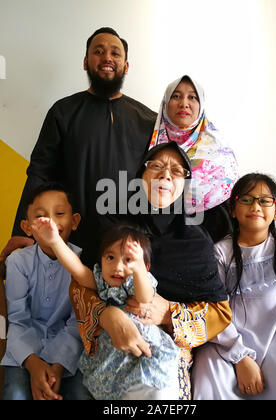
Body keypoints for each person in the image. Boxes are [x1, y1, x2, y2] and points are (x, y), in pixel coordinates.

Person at [70, 141, 232, 400]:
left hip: (164, 355)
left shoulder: (195, 242)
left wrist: (168, 313)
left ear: (185, 184)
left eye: (176, 171)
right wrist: (106, 315)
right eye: (155, 165)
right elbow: (80, 282)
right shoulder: (112, 225)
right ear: (140, 176)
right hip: (109, 346)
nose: (165, 174)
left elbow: (220, 312)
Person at [0, 27, 157, 268]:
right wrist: (25, 228)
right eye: (99, 51)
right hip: (68, 243)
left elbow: (162, 182)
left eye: (115, 53)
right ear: (86, 62)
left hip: (127, 250)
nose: (107, 57)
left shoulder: (148, 120)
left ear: (126, 66)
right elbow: (39, 173)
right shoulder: (63, 112)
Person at [31, 220, 180, 400]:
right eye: (110, 257)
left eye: (128, 260)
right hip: (113, 360)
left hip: (145, 355)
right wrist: (55, 241)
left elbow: (145, 297)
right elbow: (77, 270)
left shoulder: (136, 283)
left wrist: (139, 270)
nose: (118, 266)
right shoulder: (102, 283)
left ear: (145, 267)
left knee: (157, 394)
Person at [192, 173, 276, 400]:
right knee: (207, 384)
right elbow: (212, 310)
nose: (256, 206)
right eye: (247, 199)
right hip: (225, 340)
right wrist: (241, 357)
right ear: (233, 209)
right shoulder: (220, 253)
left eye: (264, 200)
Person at [1, 182, 92, 400]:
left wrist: (59, 366)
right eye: (41, 216)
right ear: (27, 227)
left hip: (68, 352)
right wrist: (32, 365)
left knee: (82, 395)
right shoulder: (18, 262)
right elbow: (17, 319)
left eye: (59, 213)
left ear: (75, 221)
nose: (51, 222)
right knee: (14, 394)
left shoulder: (80, 265)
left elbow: (76, 322)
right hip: (23, 351)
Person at [149, 74, 238, 241]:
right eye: (176, 96)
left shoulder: (219, 150)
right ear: (166, 103)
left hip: (213, 236)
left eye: (192, 97)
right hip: (160, 237)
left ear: (201, 105)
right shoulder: (149, 143)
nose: (184, 103)